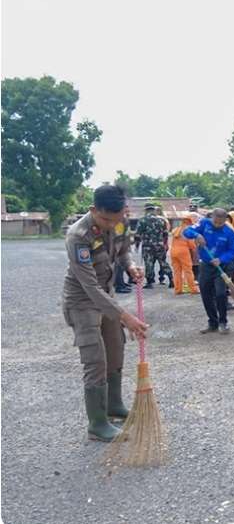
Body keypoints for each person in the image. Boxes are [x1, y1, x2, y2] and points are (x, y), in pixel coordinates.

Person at [63, 185, 149, 442]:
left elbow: (124, 252)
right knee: (95, 360)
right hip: (82, 302)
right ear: (93, 210)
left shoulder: (121, 223)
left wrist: (132, 266)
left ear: (124, 211)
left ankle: (114, 405)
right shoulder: (78, 235)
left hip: (107, 297)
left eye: (117, 218)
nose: (112, 225)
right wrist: (126, 317)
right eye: (106, 220)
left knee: (115, 350)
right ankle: (97, 424)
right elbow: (89, 286)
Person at [185, 208, 234, 334]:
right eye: (215, 222)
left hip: (221, 267)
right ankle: (212, 322)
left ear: (225, 220)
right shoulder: (204, 223)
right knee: (205, 294)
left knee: (220, 294)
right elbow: (187, 231)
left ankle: (223, 322)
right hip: (205, 266)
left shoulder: (229, 232)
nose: (217, 225)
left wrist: (221, 259)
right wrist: (197, 235)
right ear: (212, 218)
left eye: (220, 223)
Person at [134, 203, 172, 289]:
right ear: (154, 210)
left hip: (148, 246)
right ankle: (171, 278)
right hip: (160, 245)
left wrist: (137, 245)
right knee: (163, 262)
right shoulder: (161, 220)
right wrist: (165, 244)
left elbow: (137, 235)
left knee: (149, 263)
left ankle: (150, 282)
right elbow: (166, 234)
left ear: (146, 211)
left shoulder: (143, 220)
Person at [170, 213, 200, 295]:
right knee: (188, 271)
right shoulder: (188, 230)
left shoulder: (177, 229)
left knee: (176, 271)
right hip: (183, 251)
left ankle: (178, 289)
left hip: (173, 251)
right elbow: (191, 245)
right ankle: (193, 289)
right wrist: (195, 250)